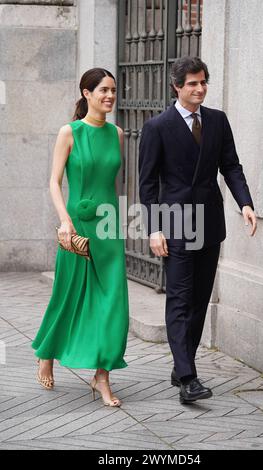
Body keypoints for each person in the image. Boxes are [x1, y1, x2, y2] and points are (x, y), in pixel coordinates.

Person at [139, 56, 257, 404]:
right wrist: (154, 229)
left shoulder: (218, 121)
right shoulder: (157, 127)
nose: (200, 88)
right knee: (179, 298)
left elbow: (230, 166)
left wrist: (245, 203)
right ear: (176, 86)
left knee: (199, 300)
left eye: (203, 81)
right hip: (174, 223)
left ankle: (181, 363)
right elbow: (147, 185)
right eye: (192, 83)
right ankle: (188, 378)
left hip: (209, 223)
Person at [32, 68, 129, 407]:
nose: (110, 96)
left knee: (113, 301)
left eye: (113, 90)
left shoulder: (117, 134)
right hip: (76, 226)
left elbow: (115, 185)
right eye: (103, 90)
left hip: (108, 227)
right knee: (68, 295)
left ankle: (102, 376)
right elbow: (53, 182)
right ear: (86, 93)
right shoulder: (69, 132)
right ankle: (47, 351)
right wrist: (65, 222)